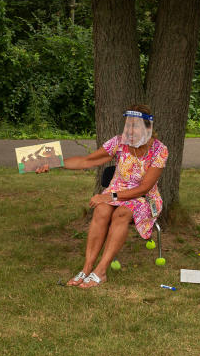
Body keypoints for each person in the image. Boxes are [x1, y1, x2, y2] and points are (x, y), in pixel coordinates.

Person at [38, 104, 168, 288]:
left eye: (135, 126)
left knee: (121, 213)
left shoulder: (159, 150)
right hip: (116, 191)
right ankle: (86, 268)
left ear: (148, 128)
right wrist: (51, 163)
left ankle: (101, 271)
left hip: (143, 198)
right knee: (101, 210)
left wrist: (110, 196)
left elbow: (144, 188)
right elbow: (87, 160)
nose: (129, 130)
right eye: (127, 125)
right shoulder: (119, 142)